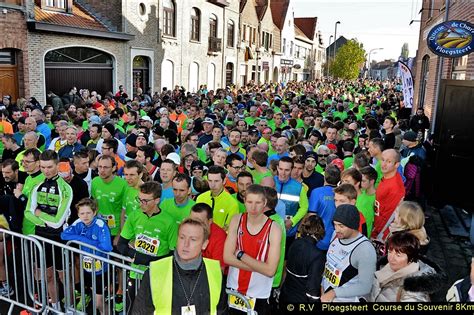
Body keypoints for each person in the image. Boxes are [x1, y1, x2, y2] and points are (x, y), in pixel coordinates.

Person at [132, 218, 226, 314]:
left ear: (204, 244)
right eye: (182, 237)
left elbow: (221, 311)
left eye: (193, 239)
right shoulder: (155, 271)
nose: (186, 244)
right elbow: (139, 311)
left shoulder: (215, 272)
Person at [24, 150, 73, 311]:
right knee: (48, 275)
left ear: (57, 166)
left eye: (50, 167)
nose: (46, 170)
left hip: (60, 237)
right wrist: (44, 220)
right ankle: (55, 306)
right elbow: (28, 212)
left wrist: (39, 213)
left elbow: (58, 222)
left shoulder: (66, 188)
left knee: (64, 277)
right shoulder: (37, 185)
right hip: (41, 236)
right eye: (43, 167)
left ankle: (71, 308)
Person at [224, 184, 282, 315]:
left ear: (265, 203)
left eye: (258, 202)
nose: (253, 207)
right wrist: (261, 268)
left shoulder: (274, 228)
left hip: (259, 293)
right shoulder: (236, 220)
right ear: (244, 201)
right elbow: (227, 257)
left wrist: (240, 254)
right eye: (249, 202)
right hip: (234, 288)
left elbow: (271, 270)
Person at [60, 198, 112, 314]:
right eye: (82, 213)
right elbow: (64, 235)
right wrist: (84, 240)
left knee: (99, 303)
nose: (85, 216)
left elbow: (107, 247)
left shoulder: (100, 224)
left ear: (94, 212)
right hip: (87, 268)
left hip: (101, 271)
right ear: (78, 214)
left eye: (88, 213)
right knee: (96, 300)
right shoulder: (79, 222)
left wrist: (81, 240)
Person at [321, 204, 376, 302]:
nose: (337, 229)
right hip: (326, 297)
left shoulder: (365, 249)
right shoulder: (336, 235)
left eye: (341, 226)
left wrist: (334, 293)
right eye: (335, 224)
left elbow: (365, 286)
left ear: (353, 226)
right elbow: (329, 265)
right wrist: (322, 286)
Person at [368, 232, 443, 302]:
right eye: (390, 252)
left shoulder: (414, 290)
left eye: (398, 255)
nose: (391, 258)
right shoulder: (384, 266)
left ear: (411, 258)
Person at [280, 215, 326, 304]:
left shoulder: (294, 243)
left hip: (285, 294)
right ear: (321, 231)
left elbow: (286, 269)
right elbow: (312, 289)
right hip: (300, 299)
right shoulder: (318, 255)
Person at [91, 155, 127, 245]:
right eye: (100, 167)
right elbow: (94, 204)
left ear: (114, 168)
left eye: (106, 167)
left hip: (115, 231)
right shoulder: (95, 181)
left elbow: (125, 211)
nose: (102, 170)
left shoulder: (123, 184)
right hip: (99, 228)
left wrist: (119, 234)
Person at [371, 149, 405, 242]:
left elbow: (389, 216)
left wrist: (375, 234)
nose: (383, 164)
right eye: (383, 159)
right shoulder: (387, 176)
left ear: (396, 164)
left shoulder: (395, 188)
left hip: (379, 233)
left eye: (389, 161)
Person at [308, 164, 340, 251]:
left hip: (318, 239)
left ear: (324, 177)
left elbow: (311, 216)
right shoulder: (342, 193)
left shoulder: (316, 192)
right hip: (336, 239)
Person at [196, 165, 239, 230]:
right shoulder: (200, 198)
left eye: (216, 181)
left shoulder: (232, 203)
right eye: (210, 181)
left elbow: (230, 230)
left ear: (224, 181)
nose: (212, 185)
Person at [189, 202, 227, 271]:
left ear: (210, 221)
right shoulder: (188, 229)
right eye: (191, 221)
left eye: (199, 222)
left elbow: (219, 270)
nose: (194, 225)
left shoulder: (220, 237)